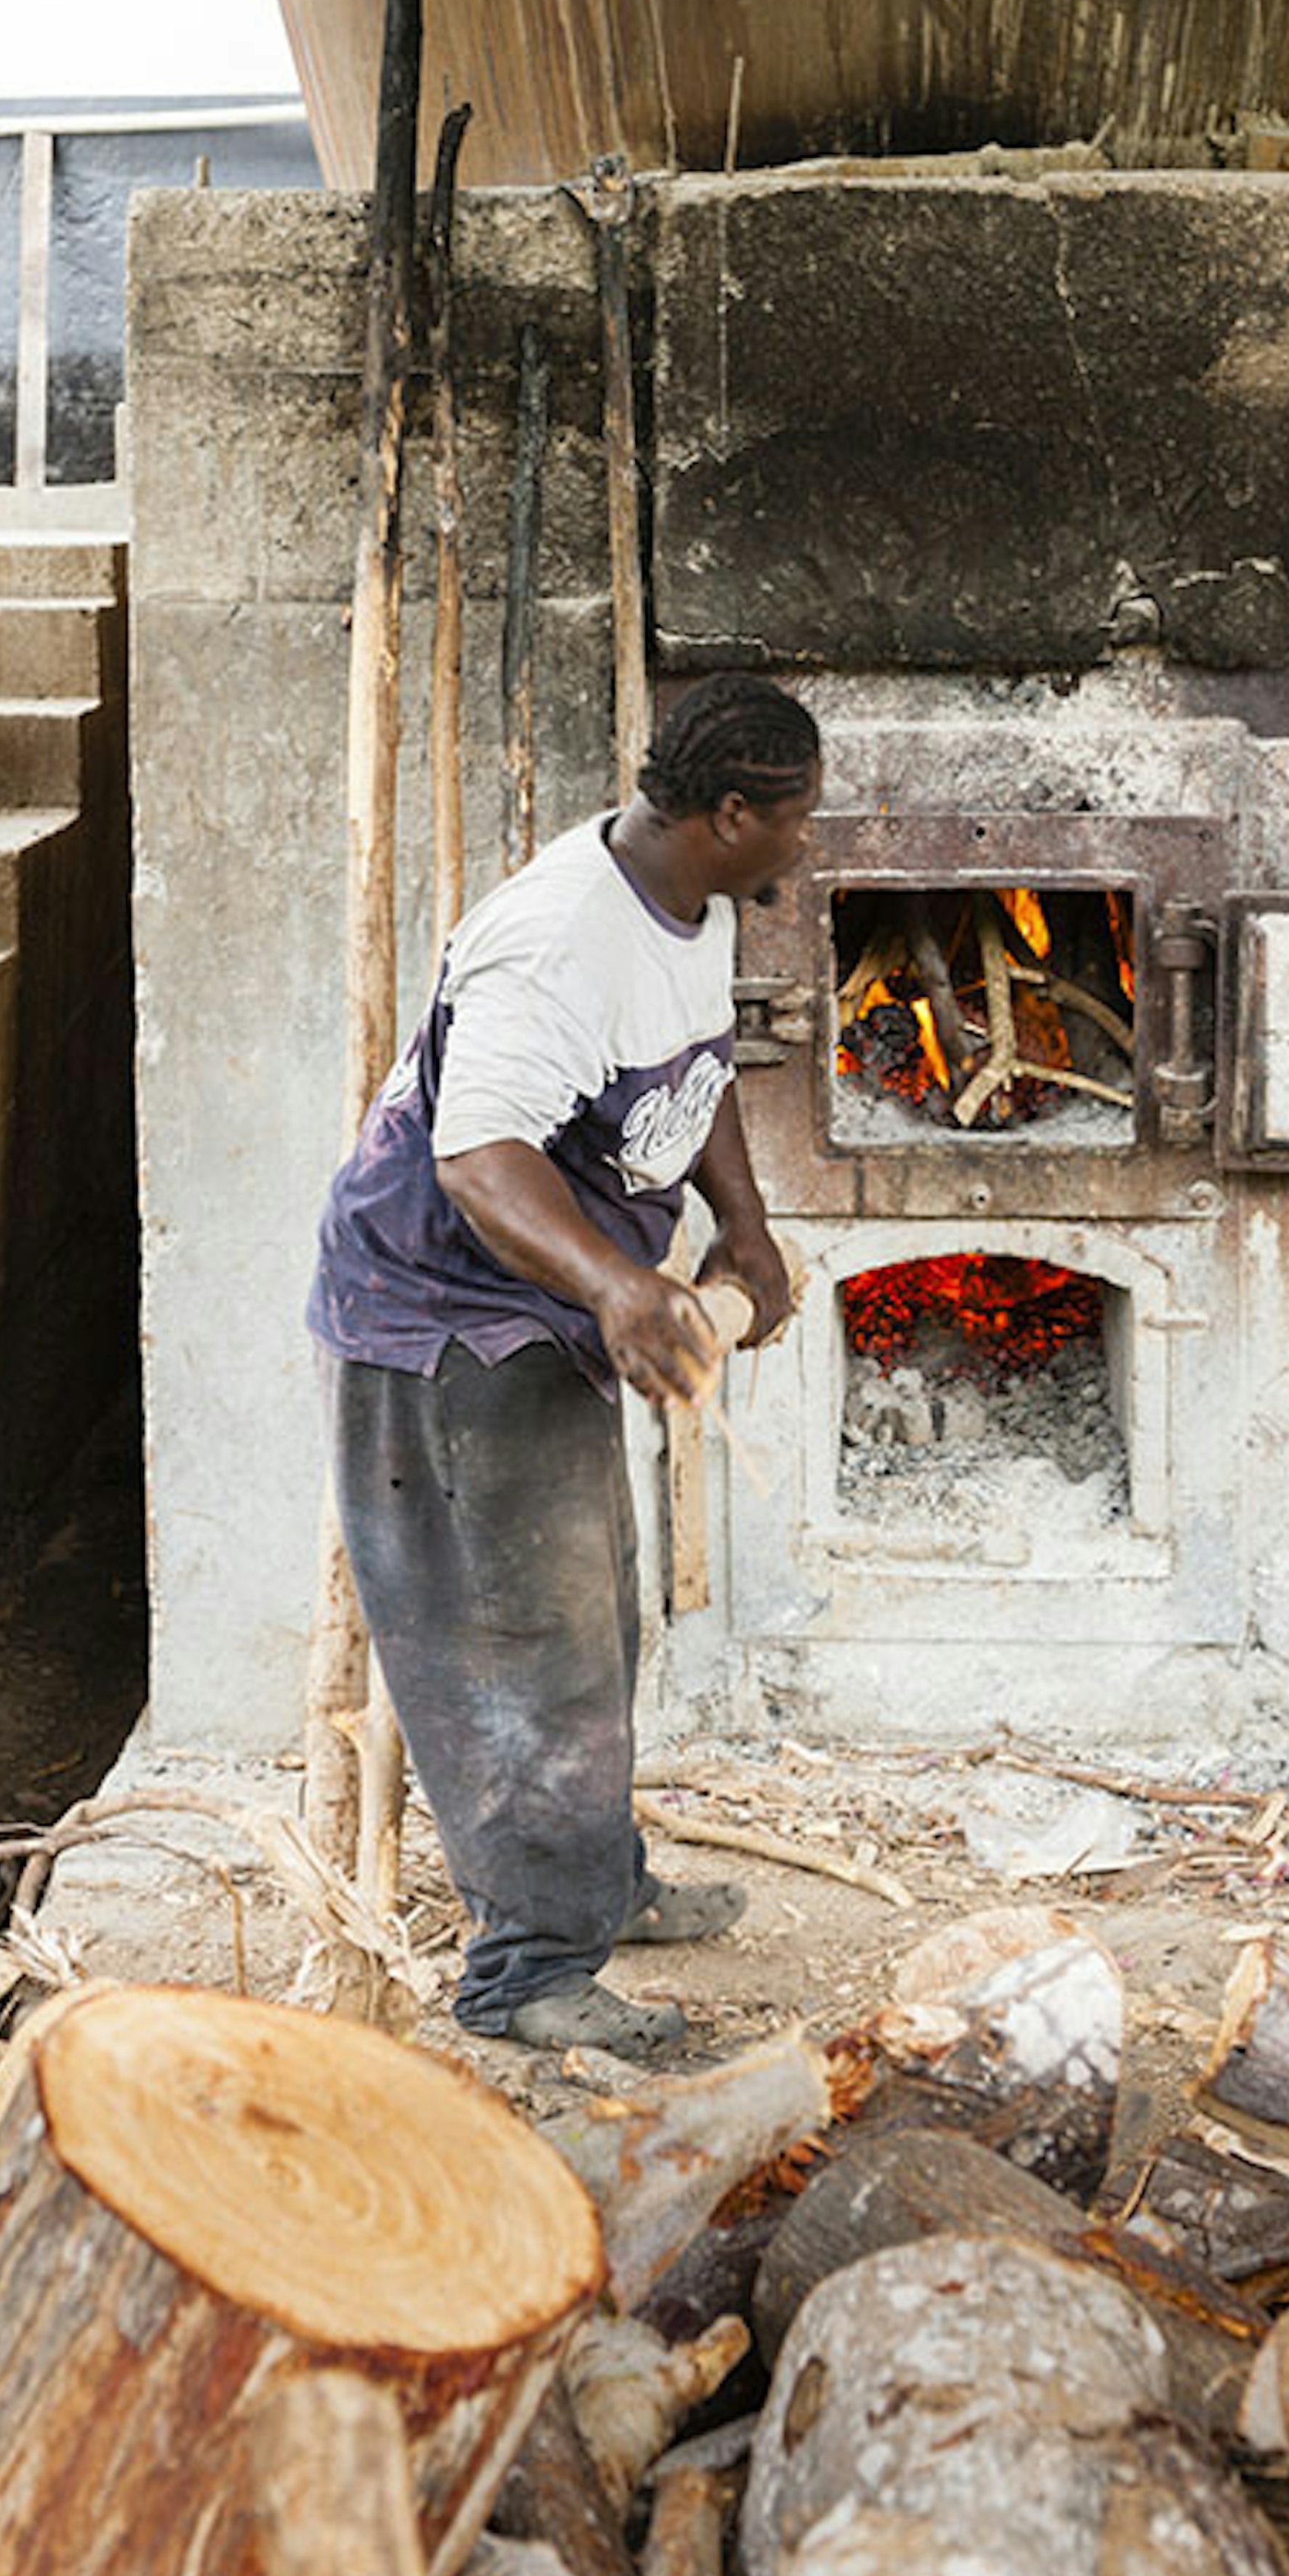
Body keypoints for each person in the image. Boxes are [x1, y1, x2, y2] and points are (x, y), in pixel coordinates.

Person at [309, 669, 824, 2061]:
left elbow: (692, 1075)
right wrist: (618, 1284)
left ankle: (598, 1886)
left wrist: (748, 1226)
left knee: (595, 1625)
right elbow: (478, 1161)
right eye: (796, 819)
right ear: (728, 812)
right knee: (520, 1650)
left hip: (553, 1312)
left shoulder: (696, 901)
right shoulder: (558, 943)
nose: (807, 844)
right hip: (449, 1325)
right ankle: (526, 1977)